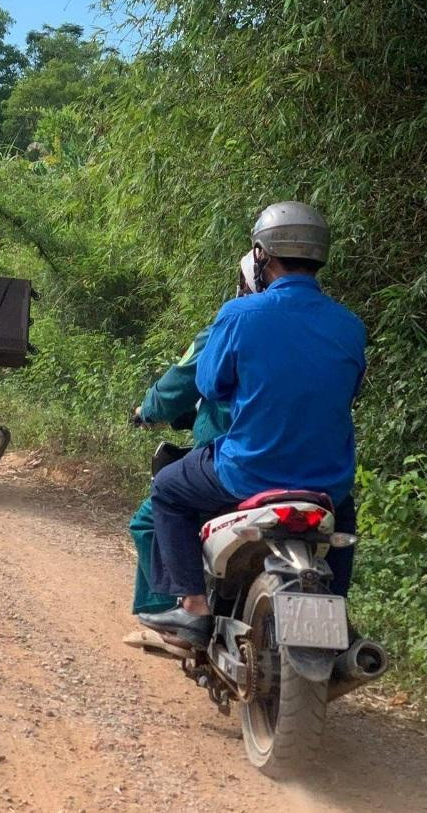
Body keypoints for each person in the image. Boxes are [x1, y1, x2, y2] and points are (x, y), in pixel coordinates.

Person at [139, 202, 366, 647]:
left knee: (167, 488)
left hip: (245, 472)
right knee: (345, 514)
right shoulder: (351, 326)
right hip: (327, 481)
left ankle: (193, 607)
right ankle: (337, 614)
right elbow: (350, 390)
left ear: (261, 255)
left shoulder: (240, 314)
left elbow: (209, 384)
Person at [123, 255, 255, 651]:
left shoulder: (230, 325)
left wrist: (145, 412)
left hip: (234, 459)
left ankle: (181, 615)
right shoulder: (328, 330)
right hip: (315, 470)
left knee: (154, 512)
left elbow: (183, 385)